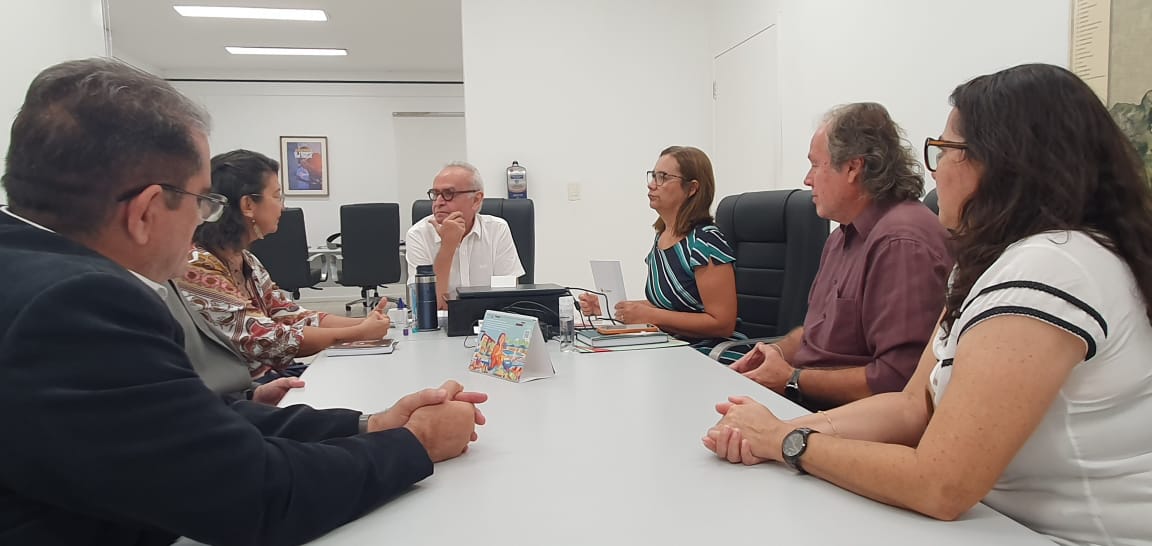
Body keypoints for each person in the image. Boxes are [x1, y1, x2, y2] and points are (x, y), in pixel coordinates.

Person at [0, 57, 488, 546]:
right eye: (201, 201)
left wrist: (370, 424)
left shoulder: (30, 272)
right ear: (147, 211)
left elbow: (194, 422)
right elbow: (252, 496)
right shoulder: (74, 304)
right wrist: (414, 443)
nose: (203, 221)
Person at [703, 64, 1152, 545]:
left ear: (1002, 162)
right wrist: (779, 429)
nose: (935, 170)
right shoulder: (988, 263)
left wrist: (788, 441)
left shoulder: (1052, 266)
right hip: (997, 522)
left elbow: (940, 483)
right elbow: (912, 405)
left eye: (945, 150)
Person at [729, 103, 951, 409]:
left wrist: (792, 379)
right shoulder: (840, 238)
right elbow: (814, 334)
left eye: (815, 165)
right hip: (806, 401)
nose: (808, 180)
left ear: (852, 168)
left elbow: (899, 379)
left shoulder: (902, 243)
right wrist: (774, 354)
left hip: (843, 418)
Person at [178, 149, 391, 380]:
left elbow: (290, 314)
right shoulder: (196, 266)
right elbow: (266, 339)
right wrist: (356, 333)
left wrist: (364, 323)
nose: (283, 207)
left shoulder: (246, 260)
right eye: (277, 196)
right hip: (242, 393)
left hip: (267, 377)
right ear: (248, 204)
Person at [578, 146, 743, 361]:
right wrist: (610, 307)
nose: (652, 184)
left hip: (711, 353)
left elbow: (722, 324)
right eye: (653, 175)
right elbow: (669, 306)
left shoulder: (706, 242)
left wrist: (651, 315)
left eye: (663, 177)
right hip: (671, 347)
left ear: (692, 188)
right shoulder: (662, 237)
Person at [405, 161, 524, 309]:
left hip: (490, 326)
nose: (439, 202)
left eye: (449, 194)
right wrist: (447, 247)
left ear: (476, 199)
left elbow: (509, 298)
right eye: (435, 194)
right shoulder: (418, 235)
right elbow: (428, 309)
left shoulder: (497, 229)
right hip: (440, 328)